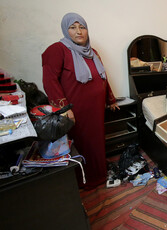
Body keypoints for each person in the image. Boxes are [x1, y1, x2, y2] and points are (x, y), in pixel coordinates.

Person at [42, 12, 119, 189]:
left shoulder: (93, 52)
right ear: (65, 30)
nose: (79, 31)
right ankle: (84, 181)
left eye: (82, 27)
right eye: (73, 27)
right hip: (75, 111)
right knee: (81, 143)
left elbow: (103, 77)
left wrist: (111, 99)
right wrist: (64, 108)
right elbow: (49, 81)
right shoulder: (56, 50)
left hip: (96, 109)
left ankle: (99, 175)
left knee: (96, 142)